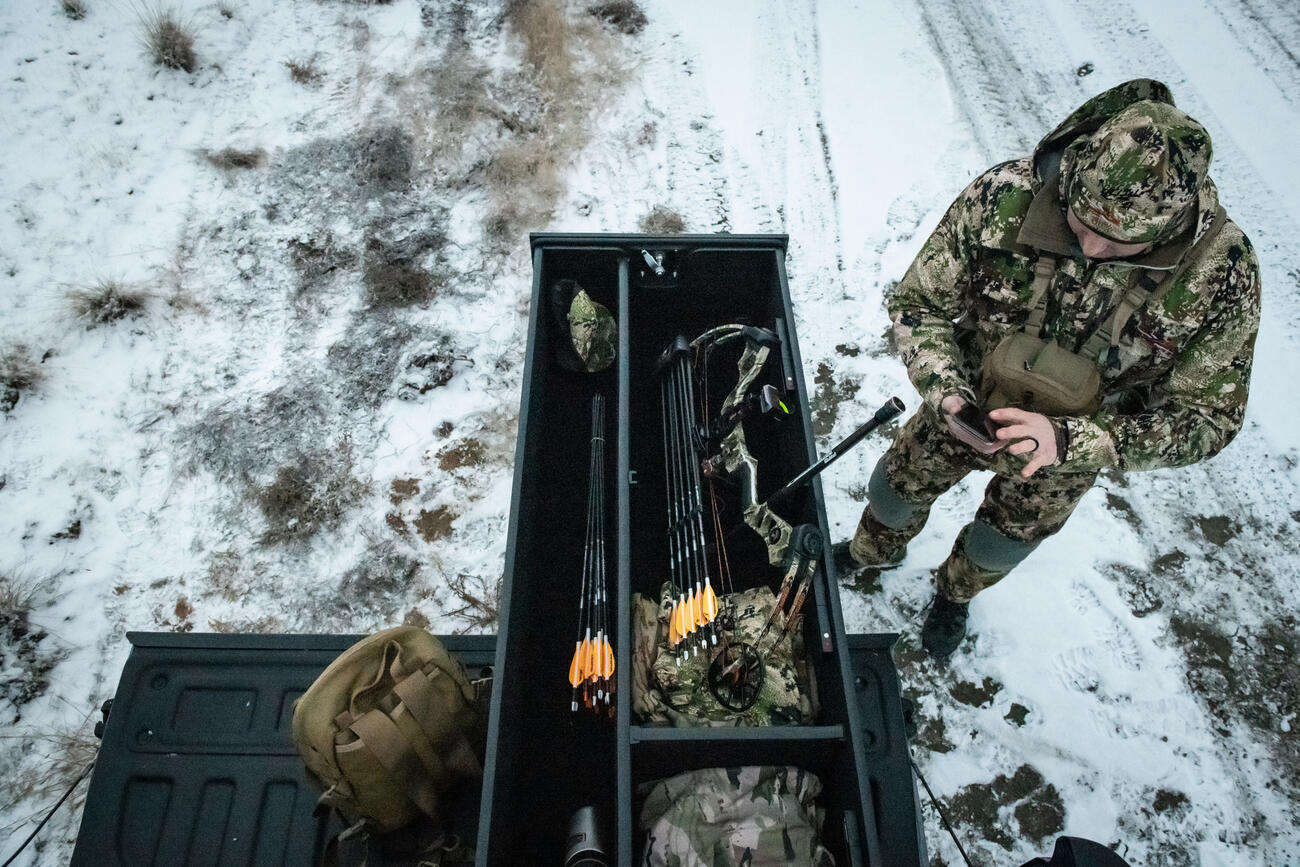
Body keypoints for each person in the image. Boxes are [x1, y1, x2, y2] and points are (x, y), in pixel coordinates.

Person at [833, 79, 1260, 657]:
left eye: (1115, 245)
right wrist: (949, 394)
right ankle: (870, 552)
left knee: (998, 546)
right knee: (892, 493)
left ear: (1169, 231)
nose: (1089, 249)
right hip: (967, 403)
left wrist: (1073, 442)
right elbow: (919, 305)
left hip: (1066, 455)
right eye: (1079, 225)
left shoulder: (1221, 275)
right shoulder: (1006, 195)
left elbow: (1209, 420)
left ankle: (954, 595)